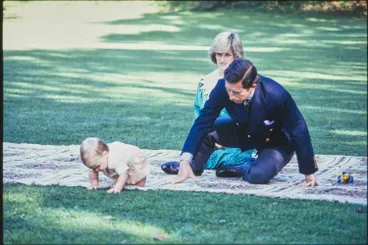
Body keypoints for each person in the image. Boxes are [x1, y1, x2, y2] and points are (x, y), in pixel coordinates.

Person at [172, 58, 319, 187]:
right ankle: (193, 166)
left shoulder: (276, 95)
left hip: (276, 142)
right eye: (228, 90)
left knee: (257, 176)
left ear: (252, 86)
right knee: (209, 128)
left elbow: (298, 129)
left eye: (236, 92)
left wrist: (309, 171)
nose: (230, 96)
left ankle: (242, 167)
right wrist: (185, 160)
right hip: (245, 131)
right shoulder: (223, 86)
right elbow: (202, 121)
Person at [161, 31, 255, 177]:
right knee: (201, 150)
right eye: (219, 54)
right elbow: (199, 118)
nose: (222, 60)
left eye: (227, 55)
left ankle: (239, 166)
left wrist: (224, 140)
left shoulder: (246, 81)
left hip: (236, 141)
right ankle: (191, 165)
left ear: (236, 55)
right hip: (209, 141)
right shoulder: (205, 82)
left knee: (234, 157)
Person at [80, 137, 150, 193]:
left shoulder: (114, 160)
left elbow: (124, 173)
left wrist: (117, 188)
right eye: (93, 167)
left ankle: (140, 179)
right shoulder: (99, 160)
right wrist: (94, 183)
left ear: (105, 154)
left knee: (138, 182)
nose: (96, 170)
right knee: (120, 176)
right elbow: (92, 172)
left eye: (98, 166)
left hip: (134, 157)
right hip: (122, 157)